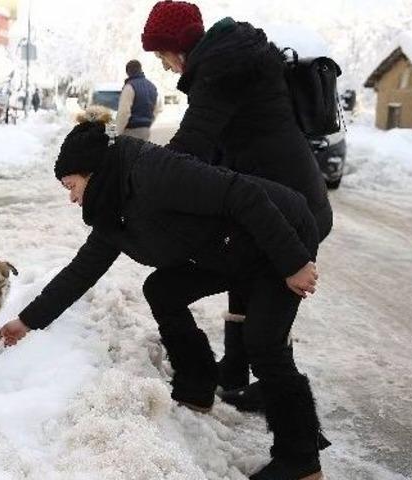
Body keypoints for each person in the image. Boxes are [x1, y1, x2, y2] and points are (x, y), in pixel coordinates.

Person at [0, 109, 329, 480]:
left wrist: (293, 262)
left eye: (71, 186)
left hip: (280, 233)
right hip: (229, 250)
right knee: (162, 289)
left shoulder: (153, 173)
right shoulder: (113, 209)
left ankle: (301, 462)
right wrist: (26, 321)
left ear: (91, 173)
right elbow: (81, 273)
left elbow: (243, 194)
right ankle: (196, 384)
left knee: (264, 345)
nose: (72, 198)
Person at [141, 1, 334, 414]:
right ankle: (236, 376)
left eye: (161, 56)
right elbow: (214, 149)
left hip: (289, 212)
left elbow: (190, 147)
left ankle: (298, 441)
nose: (165, 66)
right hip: (281, 201)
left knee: (267, 328)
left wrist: (138, 173)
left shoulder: (222, 70)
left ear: (178, 49)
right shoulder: (230, 60)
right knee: (249, 288)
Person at [115, 60, 162, 141]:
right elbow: (157, 109)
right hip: (145, 130)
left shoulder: (130, 86)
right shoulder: (152, 86)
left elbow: (124, 112)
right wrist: (148, 123)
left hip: (130, 131)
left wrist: (117, 132)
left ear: (127, 72)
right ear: (140, 69)